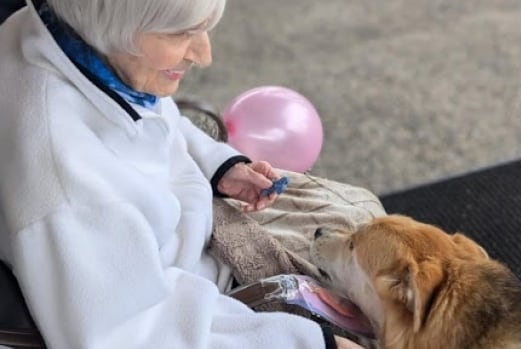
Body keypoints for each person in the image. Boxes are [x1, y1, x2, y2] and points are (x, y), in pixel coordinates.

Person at [0, 0, 365, 348]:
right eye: (181, 33)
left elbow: (154, 119)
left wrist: (218, 166)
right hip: (184, 297)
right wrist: (310, 343)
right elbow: (131, 335)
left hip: (193, 226)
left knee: (360, 220)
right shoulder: (66, 184)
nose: (204, 56)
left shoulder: (70, 38)